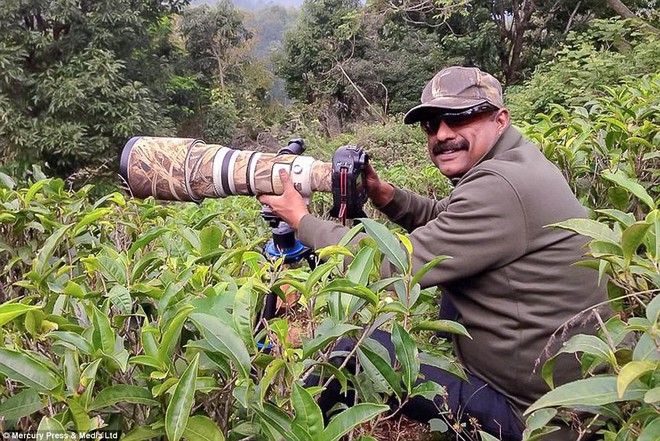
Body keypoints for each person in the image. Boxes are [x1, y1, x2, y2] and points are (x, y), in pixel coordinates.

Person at [258, 66, 609, 440]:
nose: (443, 134)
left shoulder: (501, 188)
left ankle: (287, 431)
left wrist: (301, 220)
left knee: (359, 349)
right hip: (575, 398)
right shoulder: (517, 163)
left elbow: (392, 269)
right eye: (432, 123)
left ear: (500, 119)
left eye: (460, 118)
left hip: (536, 420)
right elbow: (452, 218)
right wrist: (387, 196)